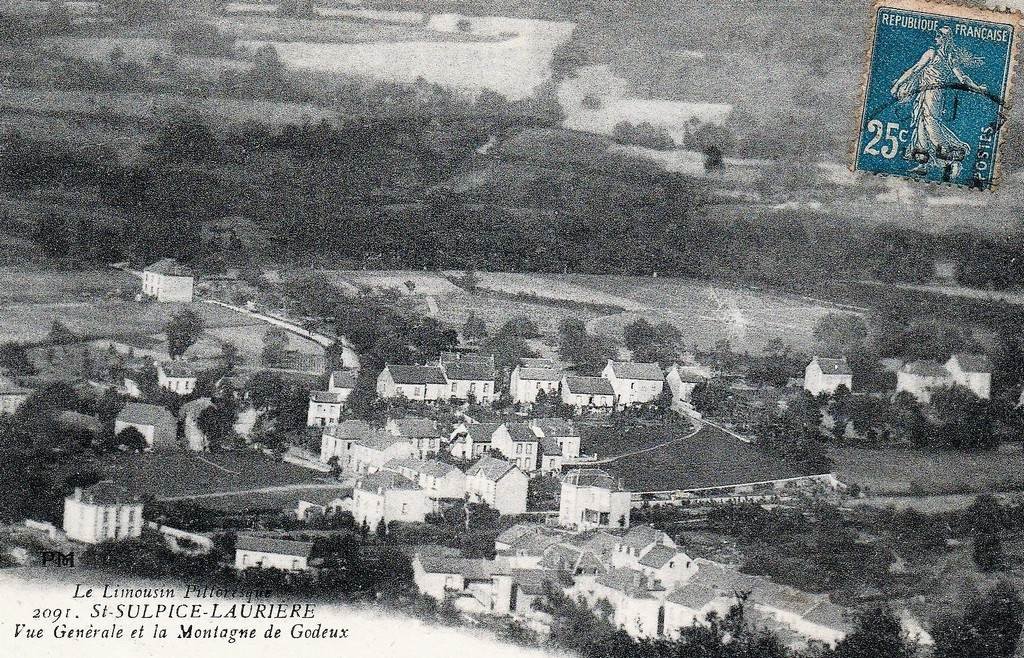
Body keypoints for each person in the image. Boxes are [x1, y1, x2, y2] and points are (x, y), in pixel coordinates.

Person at [890, 26, 987, 176]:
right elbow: (963, 79)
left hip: (932, 94)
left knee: (931, 126)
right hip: (928, 94)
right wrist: (978, 88)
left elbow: (914, 69)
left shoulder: (933, 53)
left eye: (939, 35)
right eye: (936, 34)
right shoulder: (950, 57)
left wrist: (897, 85)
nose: (935, 37)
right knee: (921, 125)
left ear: (944, 39)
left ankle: (952, 160)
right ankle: (923, 164)